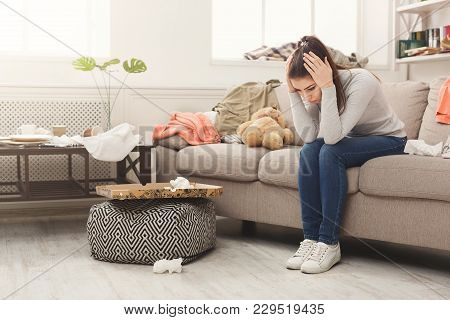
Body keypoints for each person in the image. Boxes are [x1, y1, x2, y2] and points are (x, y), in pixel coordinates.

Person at [285, 35, 407, 274]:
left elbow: (331, 139)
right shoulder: (314, 91)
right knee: (309, 151)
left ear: (326, 72)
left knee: (330, 153)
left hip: (390, 139)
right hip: (352, 139)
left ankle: (329, 242)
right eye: (301, 91)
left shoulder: (362, 81)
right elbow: (310, 136)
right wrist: (292, 91)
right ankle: (310, 239)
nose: (308, 96)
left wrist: (328, 87)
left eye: (311, 88)